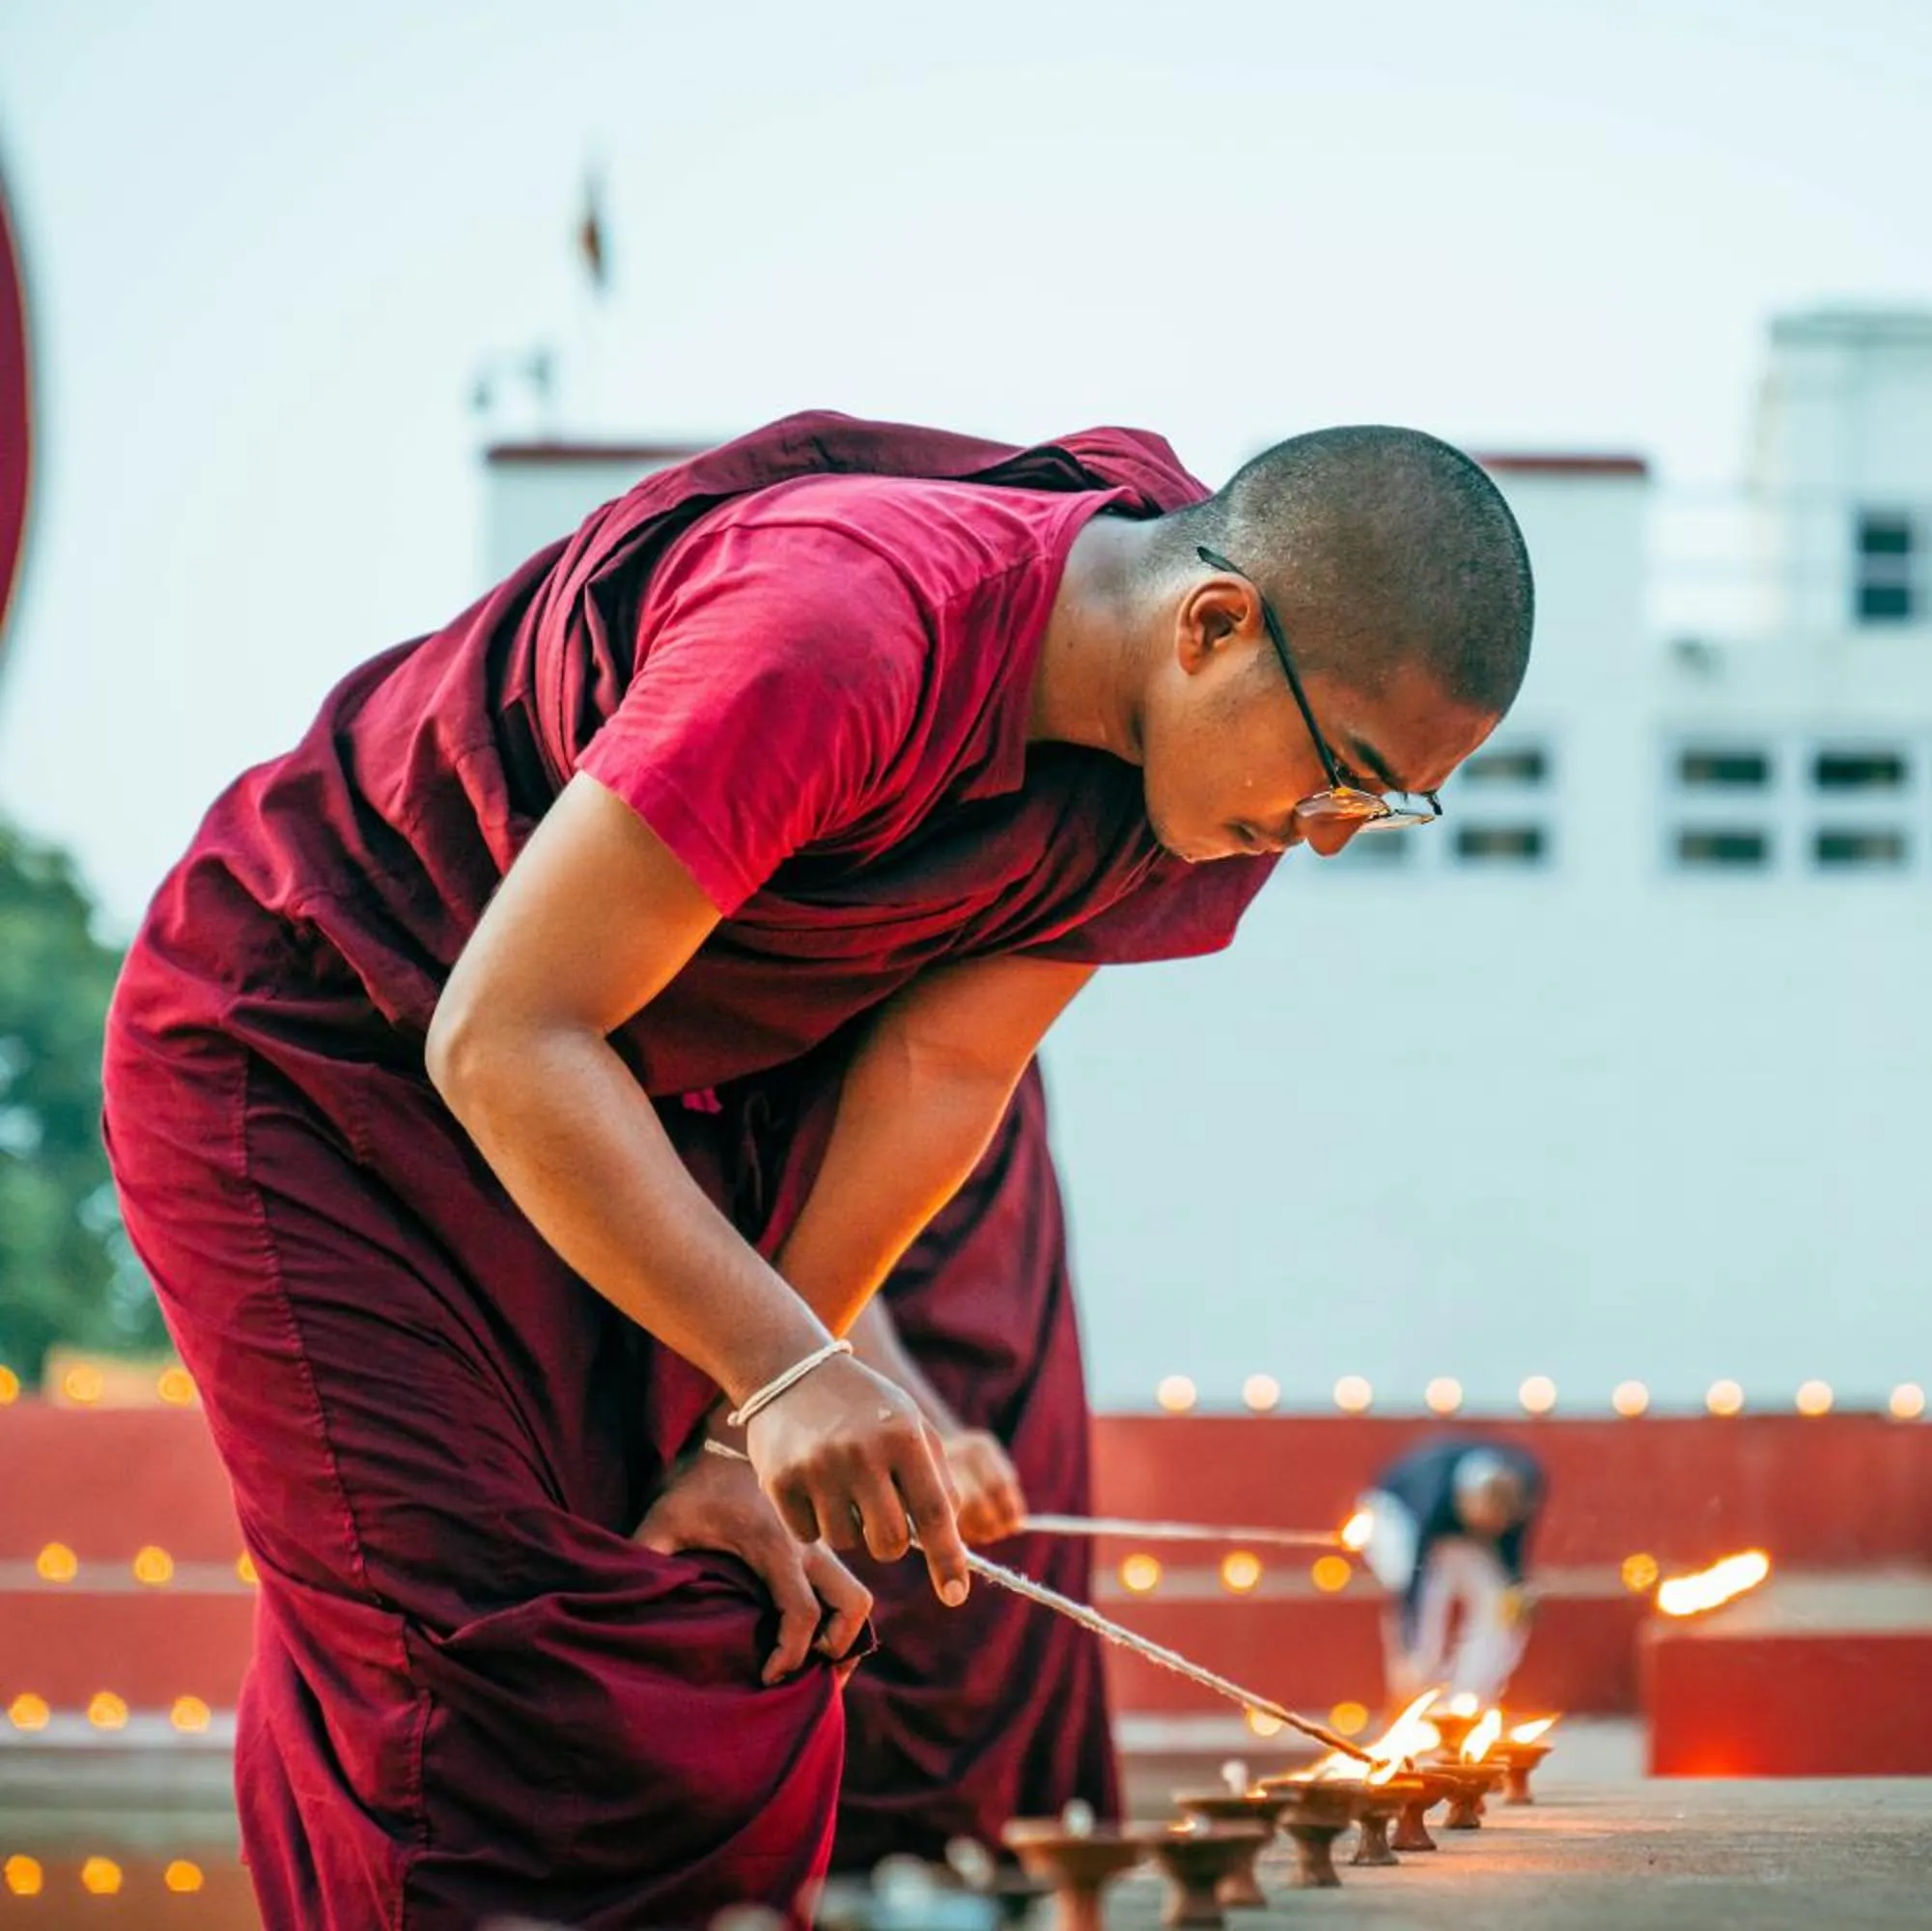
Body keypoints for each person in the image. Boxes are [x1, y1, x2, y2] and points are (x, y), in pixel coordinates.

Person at [101, 411, 1532, 1928]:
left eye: (1381, 809)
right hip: (337, 1052)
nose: (1322, 839)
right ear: (1215, 624)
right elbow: (507, 1034)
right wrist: (789, 1371)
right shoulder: (835, 631)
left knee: (727, 1621)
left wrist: (742, 1432)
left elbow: (944, 1068)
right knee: (487, 1661)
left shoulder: (1193, 795)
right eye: (1346, 775)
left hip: (645, 1101)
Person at [825, 1063, 1115, 1872]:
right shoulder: (870, 965)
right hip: (897, 1400)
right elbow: (819, 1226)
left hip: (1022, 1403)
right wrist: (919, 1422)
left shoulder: (1018, 967)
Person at [1357, 1437, 1547, 1708]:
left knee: (1498, 1601)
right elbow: (1415, 1576)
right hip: (1396, 1515)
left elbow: (1514, 1545)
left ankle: (1469, 1699)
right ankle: (1418, 1686)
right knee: (1429, 1587)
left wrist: (1517, 1586)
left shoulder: (1525, 1483)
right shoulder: (1432, 1495)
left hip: (1458, 1538)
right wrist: (1409, 1645)